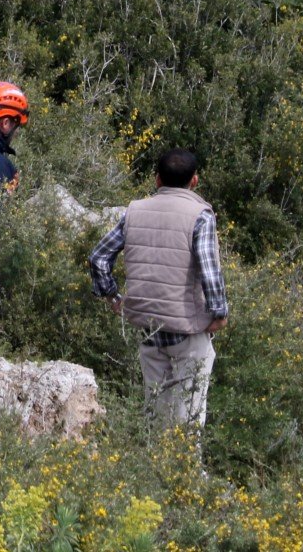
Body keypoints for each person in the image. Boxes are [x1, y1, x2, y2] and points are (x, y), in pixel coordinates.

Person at [89, 148, 228, 429]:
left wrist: (113, 296)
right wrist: (219, 312)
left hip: (147, 326)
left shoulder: (134, 211)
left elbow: (99, 257)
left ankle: (153, 468)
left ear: (157, 180)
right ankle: (184, 470)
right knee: (188, 415)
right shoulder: (201, 215)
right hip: (188, 328)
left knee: (155, 411)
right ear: (195, 181)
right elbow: (209, 269)